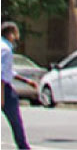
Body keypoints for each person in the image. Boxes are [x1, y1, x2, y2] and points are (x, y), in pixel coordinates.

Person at [2, 22, 30, 150]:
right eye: (16, 33)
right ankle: (23, 147)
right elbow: (2, 74)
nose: (17, 36)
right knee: (16, 121)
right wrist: (1, 96)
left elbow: (8, 71)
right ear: (11, 33)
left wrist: (25, 80)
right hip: (4, 91)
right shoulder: (6, 49)